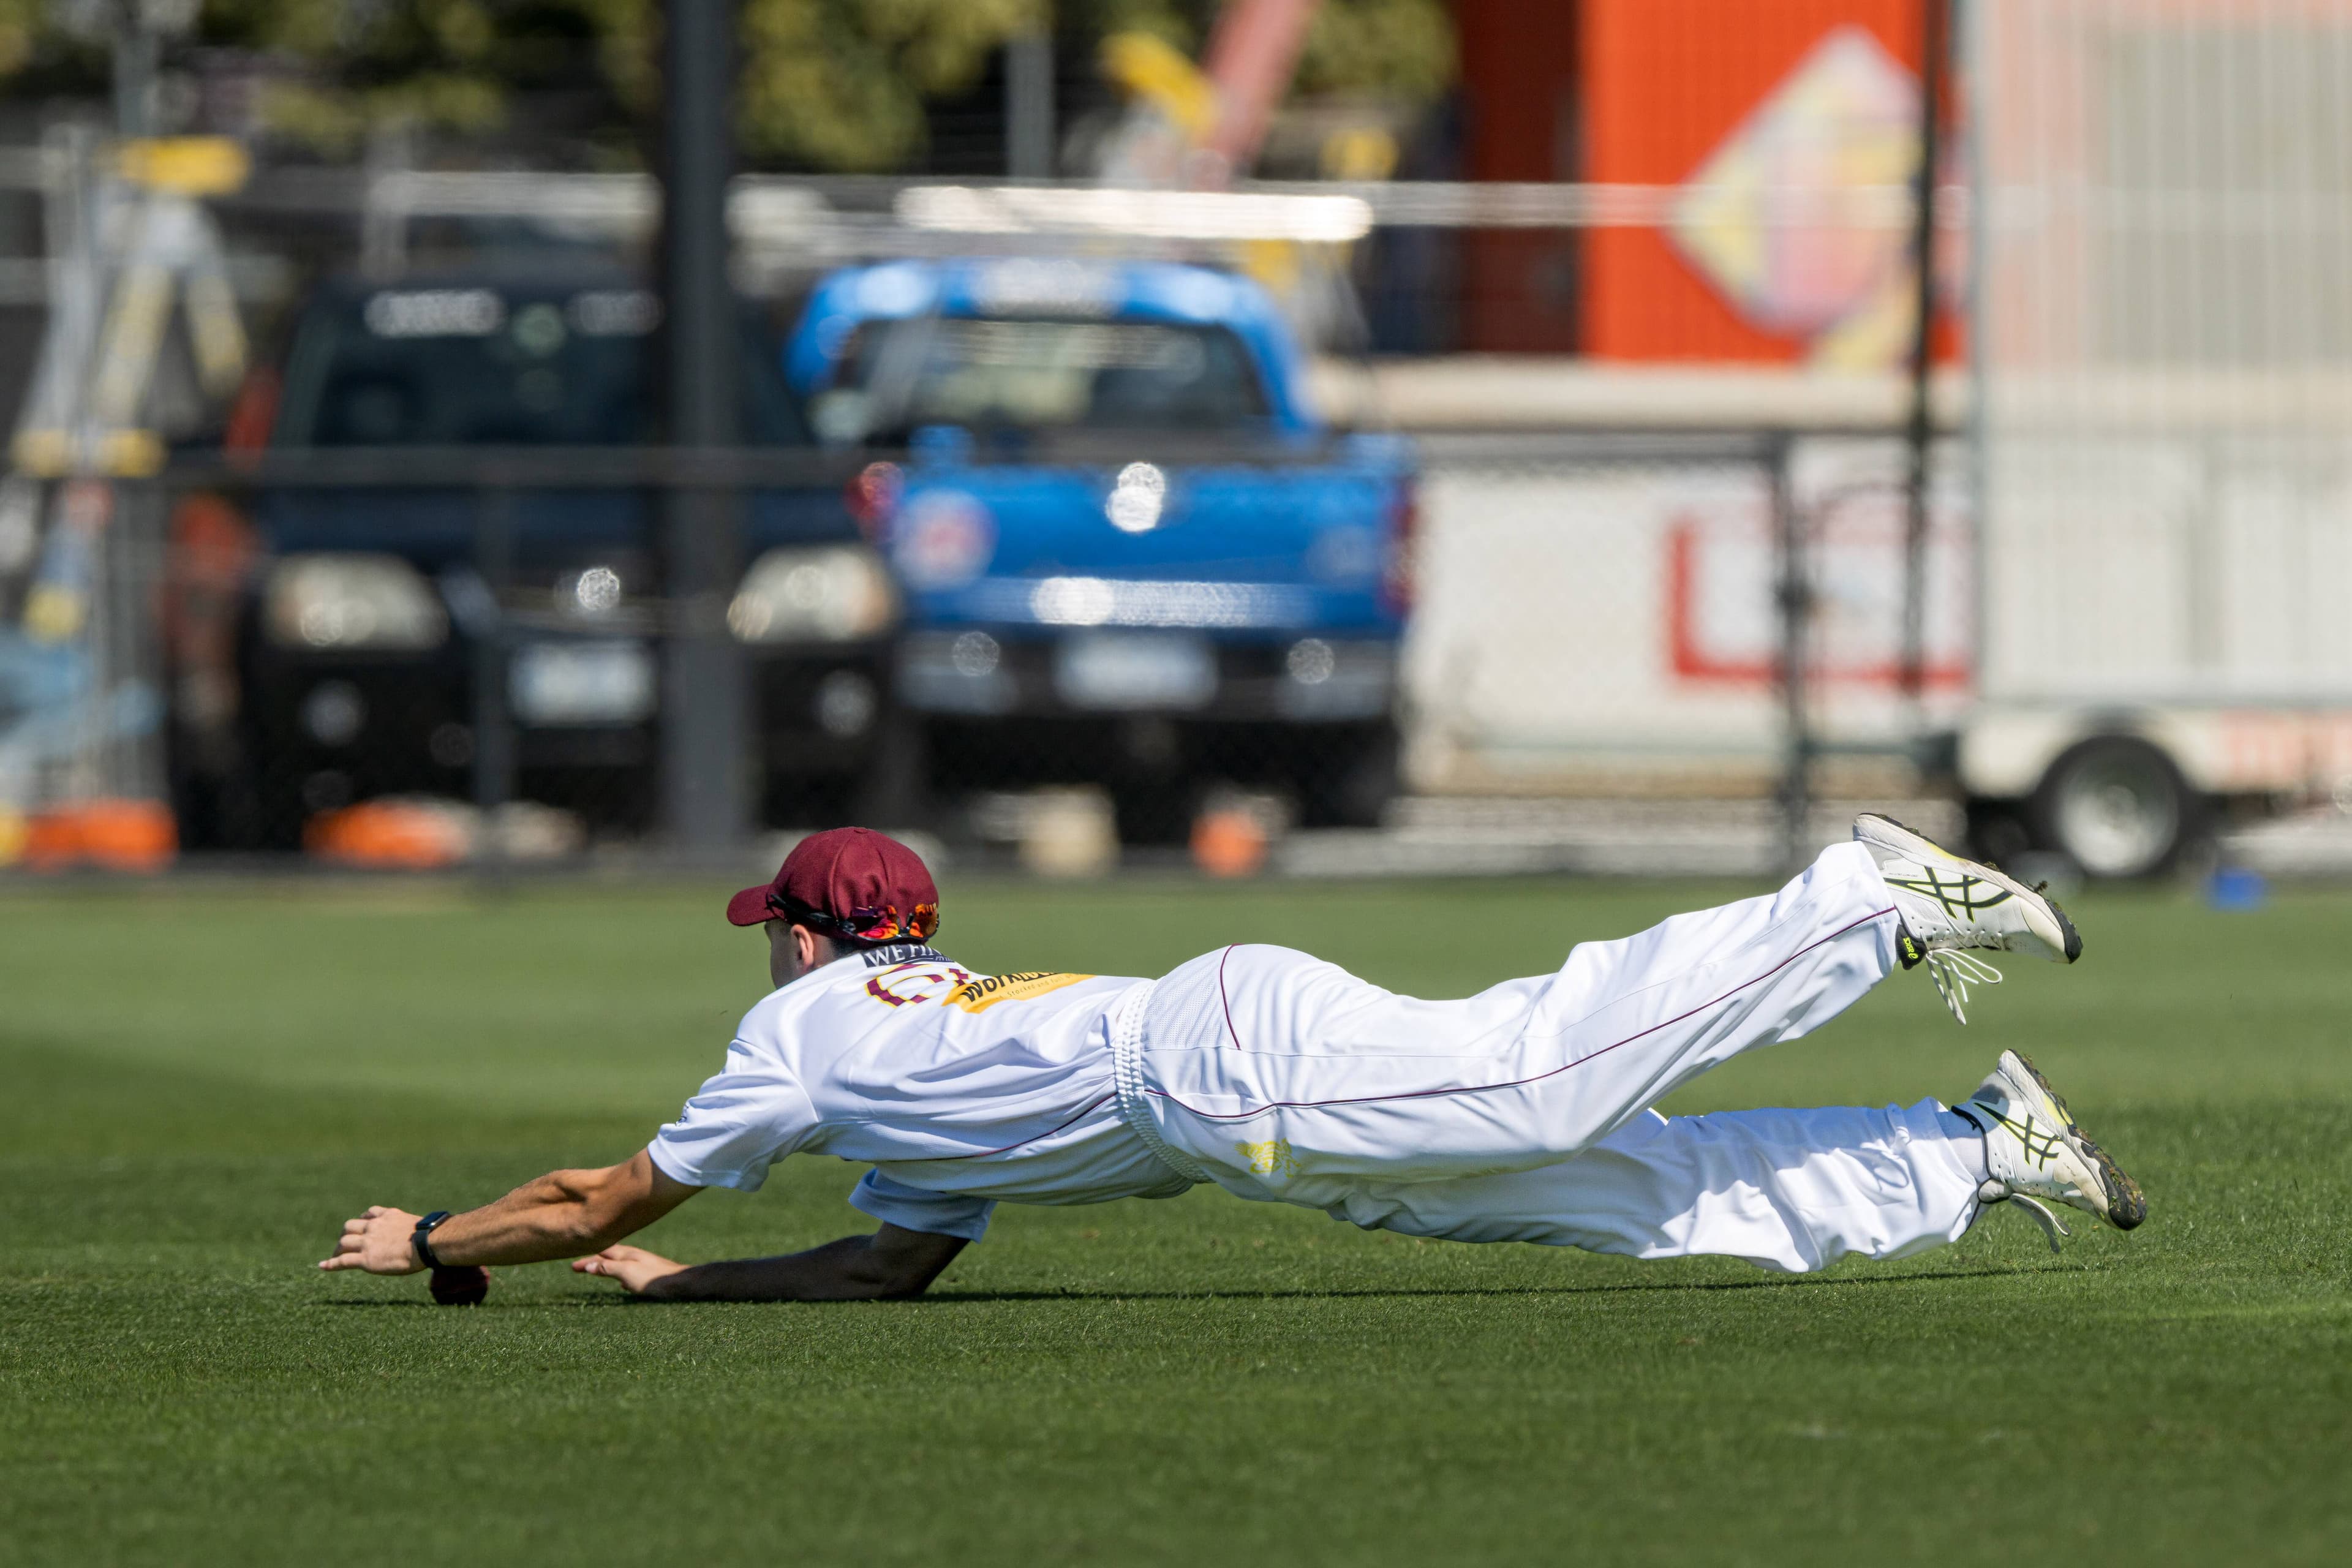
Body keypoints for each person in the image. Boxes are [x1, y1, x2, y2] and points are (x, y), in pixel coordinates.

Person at [319, 818, 2146, 1301]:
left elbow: (588, 1195)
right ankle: (1969, 1152)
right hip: (1216, 1075)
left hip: (1216, 1071)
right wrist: (679, 1291)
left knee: (1538, 1076)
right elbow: (884, 1263)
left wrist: (437, 1248)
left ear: (803, 936)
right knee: (1603, 1198)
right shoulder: (918, 1044)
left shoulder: (797, 1034)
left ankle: (1865, 903)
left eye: (775, 926)